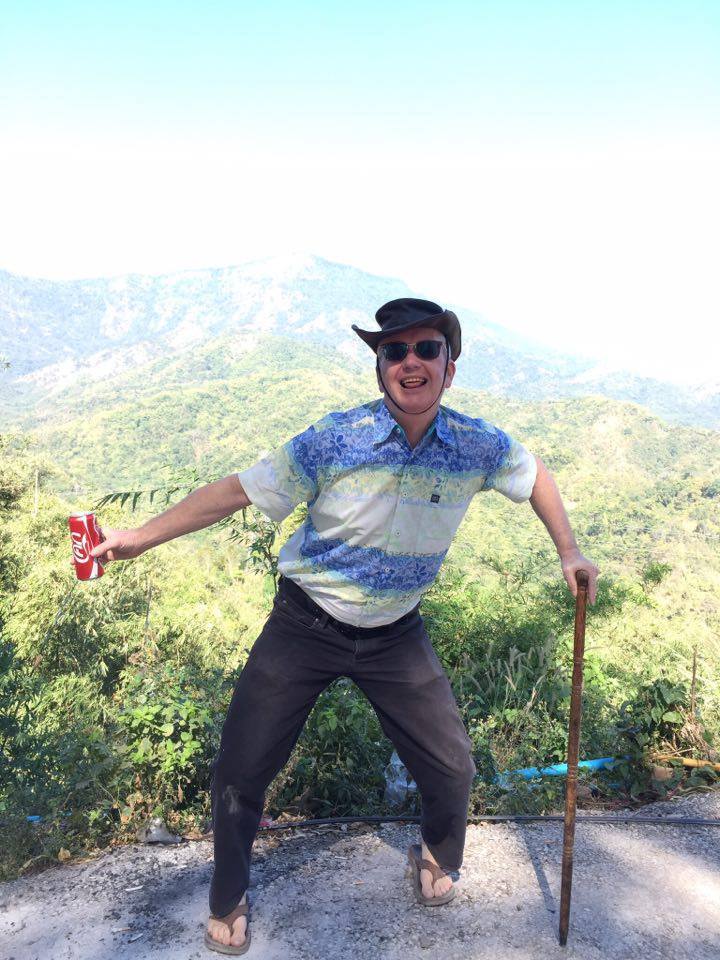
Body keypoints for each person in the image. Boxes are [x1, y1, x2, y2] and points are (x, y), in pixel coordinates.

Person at [91, 297, 599, 955]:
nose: (411, 362)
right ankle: (228, 894)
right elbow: (237, 491)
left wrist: (568, 550)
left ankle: (436, 855)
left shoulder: (477, 445)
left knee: (452, 764)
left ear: (449, 368)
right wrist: (139, 537)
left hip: (396, 632)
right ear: (379, 367)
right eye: (394, 351)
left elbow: (534, 475)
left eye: (426, 349)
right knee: (242, 767)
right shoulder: (335, 439)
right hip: (305, 622)